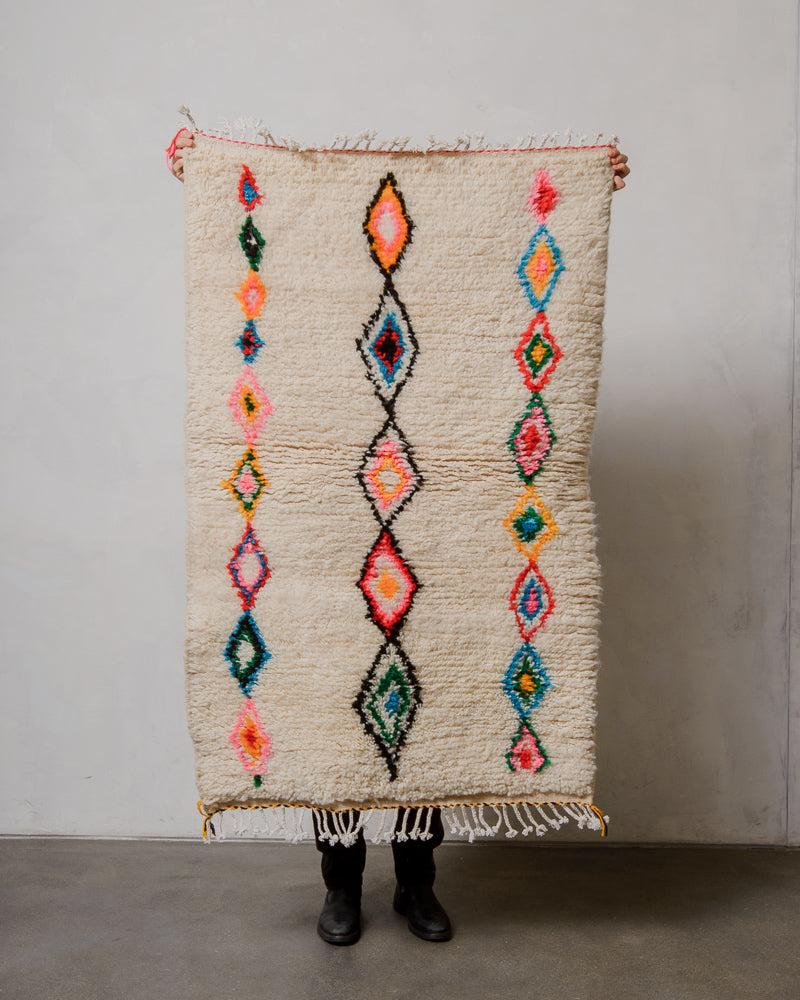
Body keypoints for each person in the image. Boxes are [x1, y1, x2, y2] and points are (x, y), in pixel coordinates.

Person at [168, 127, 629, 946]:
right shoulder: (320, 298)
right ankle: (339, 885)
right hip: (321, 507)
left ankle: (417, 883)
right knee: (329, 695)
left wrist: (588, 185)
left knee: (423, 693)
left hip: (432, 504)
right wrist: (204, 177)